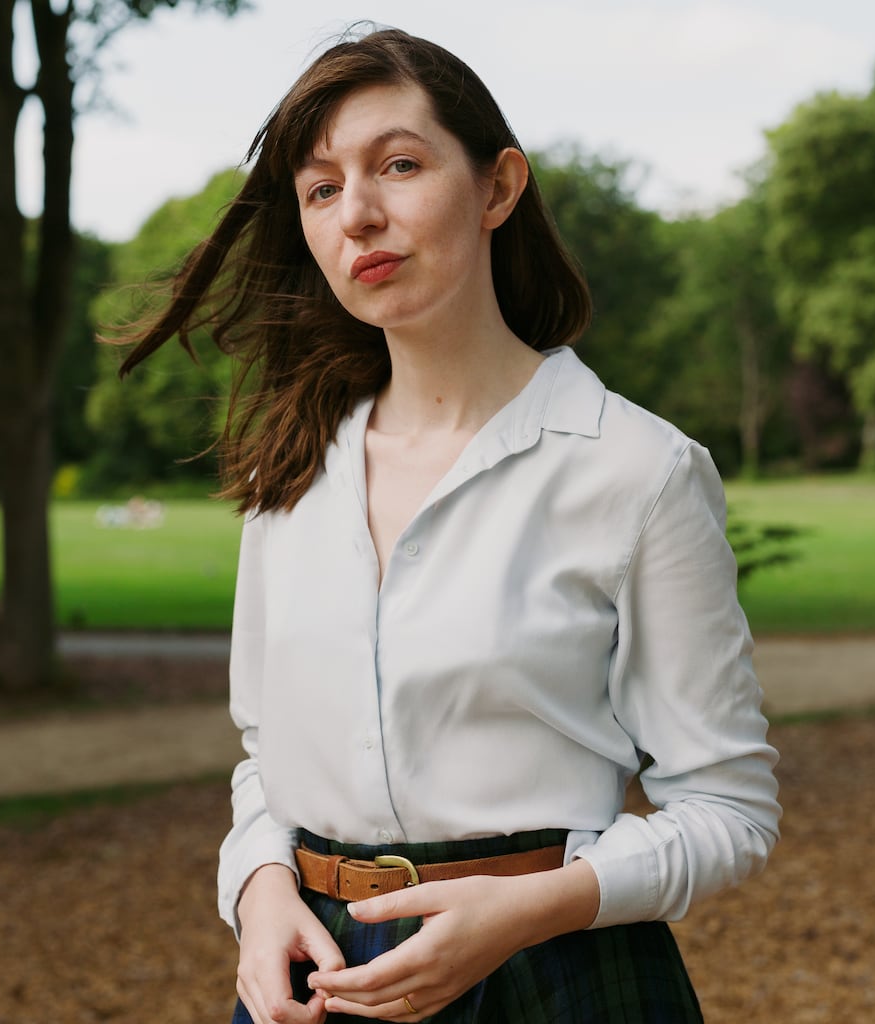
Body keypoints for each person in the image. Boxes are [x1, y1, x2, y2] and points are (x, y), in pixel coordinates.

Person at [118, 25, 781, 1024]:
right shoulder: (287, 471)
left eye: (398, 165)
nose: (361, 215)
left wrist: (524, 911)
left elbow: (728, 809)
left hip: (557, 979)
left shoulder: (636, 470)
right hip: (314, 990)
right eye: (321, 188)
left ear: (497, 188)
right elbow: (268, 758)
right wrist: (258, 894)